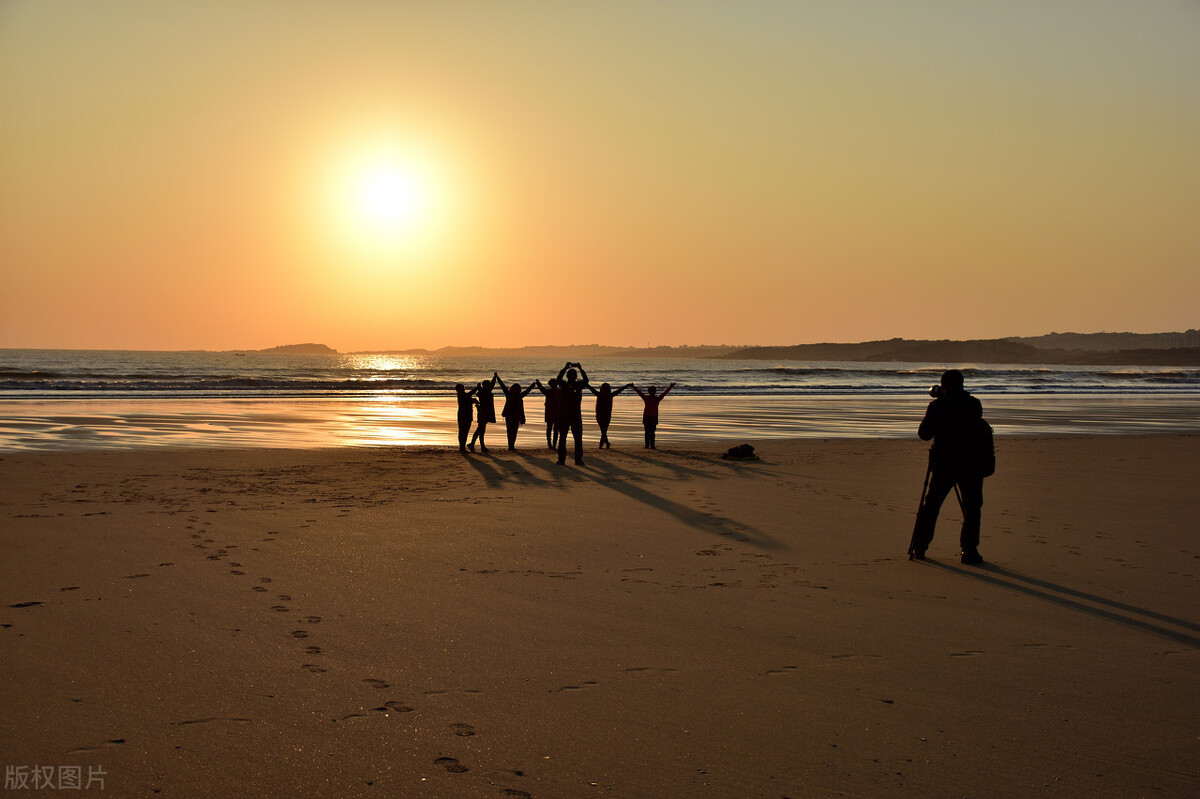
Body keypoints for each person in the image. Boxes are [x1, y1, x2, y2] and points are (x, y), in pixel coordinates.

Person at [909, 369, 986, 564]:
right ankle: (969, 550)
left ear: (943, 386)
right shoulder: (974, 404)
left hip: (945, 462)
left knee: (931, 506)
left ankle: (920, 547)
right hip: (971, 462)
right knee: (972, 508)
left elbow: (924, 434)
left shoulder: (938, 406)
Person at [555, 362, 589, 466]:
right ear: (575, 376)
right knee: (577, 438)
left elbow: (558, 379)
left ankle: (562, 459)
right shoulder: (578, 385)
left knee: (563, 438)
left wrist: (565, 368)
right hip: (574, 414)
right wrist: (580, 369)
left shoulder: (565, 385)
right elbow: (586, 381)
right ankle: (577, 460)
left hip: (566, 414)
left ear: (567, 376)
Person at [495, 373, 537, 451]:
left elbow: (503, 386)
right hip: (515, 415)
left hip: (511, 415)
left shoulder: (510, 394)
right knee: (513, 431)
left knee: (510, 430)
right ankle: (511, 446)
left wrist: (497, 378)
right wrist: (533, 385)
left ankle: (511, 446)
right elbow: (527, 391)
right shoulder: (518, 395)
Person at [587, 381, 633, 449]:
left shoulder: (600, 394)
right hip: (605, 414)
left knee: (603, 430)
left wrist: (585, 384)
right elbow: (619, 390)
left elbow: (591, 388)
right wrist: (626, 386)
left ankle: (603, 444)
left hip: (601, 414)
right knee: (604, 430)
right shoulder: (609, 395)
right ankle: (606, 443)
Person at [632, 382, 675, 449]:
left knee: (652, 432)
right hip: (647, 416)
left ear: (655, 392)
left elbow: (664, 393)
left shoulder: (656, 399)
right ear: (649, 392)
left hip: (653, 417)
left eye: (653, 391)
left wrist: (670, 387)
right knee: (647, 431)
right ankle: (647, 444)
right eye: (651, 391)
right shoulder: (647, 398)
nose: (652, 392)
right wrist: (634, 387)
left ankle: (652, 445)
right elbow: (639, 393)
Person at [468, 373, 499, 453]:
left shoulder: (485, 391)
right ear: (485, 386)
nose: (489, 386)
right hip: (483, 412)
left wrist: (495, 377)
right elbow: (490, 386)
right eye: (487, 385)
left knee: (481, 429)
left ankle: (480, 445)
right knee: (480, 429)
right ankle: (474, 444)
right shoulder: (483, 392)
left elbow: (492, 384)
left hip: (486, 412)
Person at [535, 378, 561, 450]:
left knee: (552, 428)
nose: (553, 385)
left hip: (555, 412)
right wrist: (538, 383)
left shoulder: (557, 391)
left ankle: (552, 444)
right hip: (553, 412)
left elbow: (542, 389)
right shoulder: (557, 391)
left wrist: (538, 383)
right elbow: (542, 389)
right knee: (552, 428)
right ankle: (551, 444)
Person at [454, 383, 478, 453]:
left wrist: (473, 400)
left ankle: (462, 447)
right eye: (462, 388)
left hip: (463, 415)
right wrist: (476, 388)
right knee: (463, 432)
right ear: (459, 389)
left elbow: (468, 397)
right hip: (465, 415)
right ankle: (462, 448)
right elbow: (468, 397)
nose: (464, 389)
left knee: (463, 431)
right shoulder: (462, 395)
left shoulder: (462, 395)